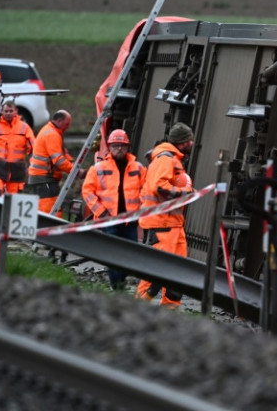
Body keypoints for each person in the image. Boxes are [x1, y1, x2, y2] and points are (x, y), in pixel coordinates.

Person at [135, 122, 194, 309]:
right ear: (183, 142)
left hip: (173, 224)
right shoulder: (165, 159)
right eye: (190, 140)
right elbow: (160, 188)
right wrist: (185, 192)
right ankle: (138, 306)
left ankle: (170, 310)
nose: (192, 143)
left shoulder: (172, 159)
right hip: (163, 224)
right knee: (156, 271)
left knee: (177, 271)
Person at [82, 128, 146, 290]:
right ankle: (117, 287)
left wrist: (141, 212)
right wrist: (101, 212)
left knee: (130, 254)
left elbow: (146, 191)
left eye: (122, 146)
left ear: (128, 147)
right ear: (109, 147)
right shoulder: (98, 168)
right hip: (109, 220)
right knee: (112, 254)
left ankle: (120, 281)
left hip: (130, 220)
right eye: (115, 145)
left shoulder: (138, 168)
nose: (119, 149)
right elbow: (87, 192)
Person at [26, 110, 83, 216]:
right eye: (67, 124)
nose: (68, 127)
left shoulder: (52, 131)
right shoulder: (52, 134)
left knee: (50, 209)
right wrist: (76, 171)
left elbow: (62, 152)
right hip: (44, 178)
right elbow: (59, 160)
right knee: (50, 211)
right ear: (59, 121)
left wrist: (72, 162)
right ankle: (53, 231)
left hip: (43, 178)